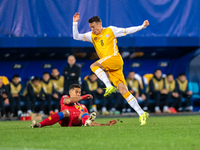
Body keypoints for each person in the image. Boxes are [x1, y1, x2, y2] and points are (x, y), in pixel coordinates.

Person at [73, 13, 149, 125]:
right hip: (110, 66)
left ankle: (108, 86)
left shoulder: (110, 30)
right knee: (123, 90)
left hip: (115, 59)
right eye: (91, 28)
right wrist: (75, 23)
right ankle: (142, 113)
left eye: (93, 27)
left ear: (100, 24)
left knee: (93, 66)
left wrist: (142, 26)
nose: (92, 29)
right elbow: (76, 36)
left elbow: (127, 30)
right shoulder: (91, 35)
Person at [31, 84, 117, 128]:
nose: (78, 94)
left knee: (83, 113)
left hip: (77, 122)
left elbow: (89, 121)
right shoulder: (65, 98)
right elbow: (69, 100)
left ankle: (85, 123)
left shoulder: (82, 106)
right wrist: (82, 97)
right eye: (76, 92)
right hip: (65, 120)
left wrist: (105, 125)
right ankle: (39, 125)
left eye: (79, 92)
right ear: (70, 92)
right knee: (66, 112)